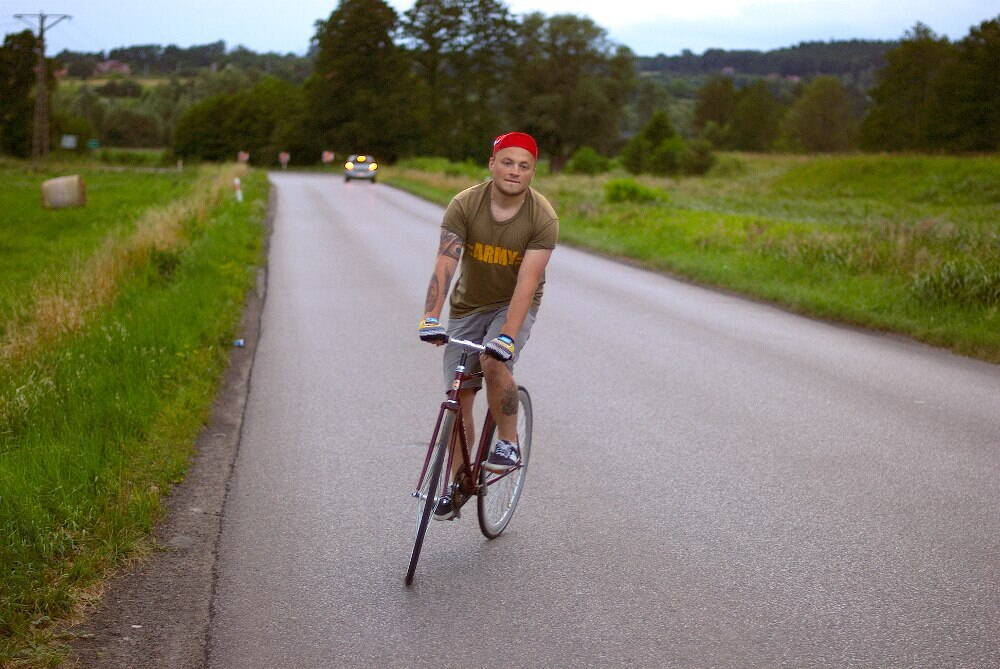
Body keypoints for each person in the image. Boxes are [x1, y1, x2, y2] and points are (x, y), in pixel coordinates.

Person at [418, 131, 558, 520]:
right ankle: (459, 483)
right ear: (492, 164)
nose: (515, 171)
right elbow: (445, 262)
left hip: (512, 303)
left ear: (532, 172)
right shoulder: (465, 204)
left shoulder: (542, 217)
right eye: (507, 162)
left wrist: (507, 337)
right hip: (468, 305)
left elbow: (527, 283)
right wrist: (431, 316)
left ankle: (508, 443)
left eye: (524, 166)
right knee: (459, 395)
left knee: (495, 361)